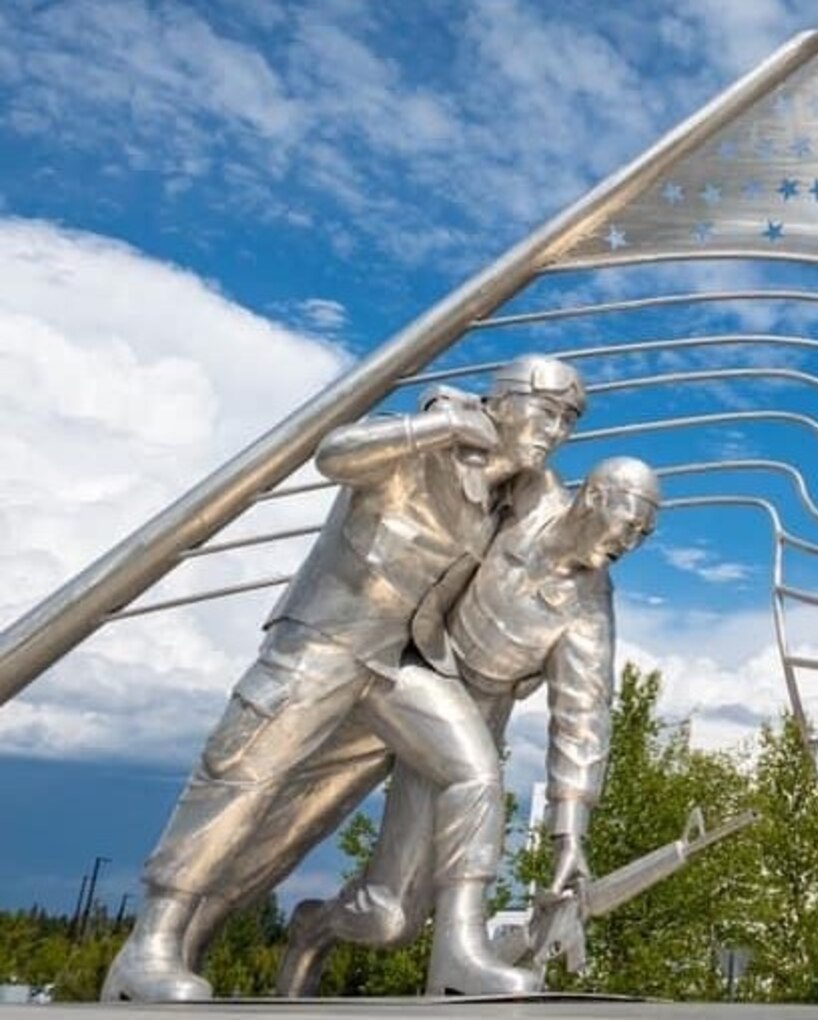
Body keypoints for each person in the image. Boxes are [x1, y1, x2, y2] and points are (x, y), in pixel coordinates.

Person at [103, 357, 585, 1002]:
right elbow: (334, 453)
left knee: (472, 772)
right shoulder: (427, 444)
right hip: (322, 644)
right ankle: (152, 946)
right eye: (548, 411)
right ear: (502, 401)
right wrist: (435, 430)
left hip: (399, 667)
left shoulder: (511, 501)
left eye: (569, 421)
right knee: (242, 779)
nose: (556, 431)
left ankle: (459, 953)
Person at [269, 456, 662, 995]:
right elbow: (474, 461)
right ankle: (460, 950)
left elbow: (583, 718)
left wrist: (570, 833)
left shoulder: (590, 607)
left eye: (646, 533)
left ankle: (315, 926)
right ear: (593, 496)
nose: (633, 541)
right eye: (631, 521)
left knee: (391, 919)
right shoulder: (531, 494)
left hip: (473, 710)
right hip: (398, 666)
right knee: (472, 779)